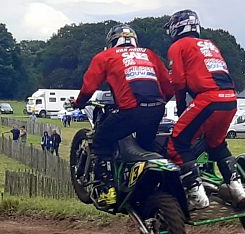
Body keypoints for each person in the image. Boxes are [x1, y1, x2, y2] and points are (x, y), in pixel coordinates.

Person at [164, 9, 245, 209]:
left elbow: (178, 82)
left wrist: (181, 107)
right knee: (215, 143)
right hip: (230, 98)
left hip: (208, 98)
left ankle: (196, 192)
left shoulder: (178, 46)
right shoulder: (209, 44)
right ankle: (237, 188)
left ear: (177, 27)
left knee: (177, 143)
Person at [73, 23, 173, 205]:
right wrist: (160, 102)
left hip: (130, 110)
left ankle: (106, 189)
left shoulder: (105, 56)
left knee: (101, 140)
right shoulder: (148, 54)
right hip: (157, 108)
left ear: (111, 42)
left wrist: (78, 103)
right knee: (145, 145)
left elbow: (89, 86)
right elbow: (167, 84)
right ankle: (145, 187)